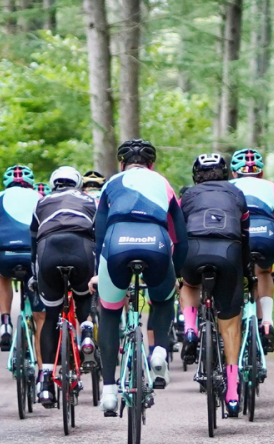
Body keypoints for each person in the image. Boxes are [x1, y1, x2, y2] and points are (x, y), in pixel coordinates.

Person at [93, 139, 188, 416]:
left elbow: (98, 234)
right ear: (151, 164)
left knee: (110, 313)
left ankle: (109, 392)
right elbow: (180, 238)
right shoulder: (163, 184)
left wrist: (99, 270)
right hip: (155, 244)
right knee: (162, 299)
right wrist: (177, 274)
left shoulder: (111, 184)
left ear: (121, 164)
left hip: (116, 245)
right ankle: (158, 351)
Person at [179, 153, 250, 417]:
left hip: (194, 249)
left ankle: (189, 329)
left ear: (196, 176)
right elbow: (245, 235)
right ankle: (232, 393)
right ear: (226, 174)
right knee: (230, 324)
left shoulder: (187, 196)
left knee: (188, 284)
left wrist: (176, 267)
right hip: (229, 250)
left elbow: (175, 231)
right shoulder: (236, 193)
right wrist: (245, 271)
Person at [30, 166, 98, 407]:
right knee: (83, 297)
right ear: (78, 183)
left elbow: (33, 239)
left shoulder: (42, 201)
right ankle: (87, 332)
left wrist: (34, 275)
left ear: (52, 183)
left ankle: (46, 382)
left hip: (48, 250)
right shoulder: (89, 200)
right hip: (81, 249)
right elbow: (99, 236)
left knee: (50, 317)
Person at [230, 148, 274, 353]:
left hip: (238, 233)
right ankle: (267, 323)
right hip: (267, 233)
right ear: (260, 173)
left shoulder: (228, 187)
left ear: (234, 173)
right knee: (263, 271)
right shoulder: (273, 188)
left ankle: (232, 323)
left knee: (233, 273)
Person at [0, 165, 44, 351]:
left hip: (4, 254)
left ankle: (5, 322)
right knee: (41, 316)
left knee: (0, 274)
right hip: (32, 255)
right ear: (31, 183)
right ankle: (42, 371)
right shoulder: (40, 197)